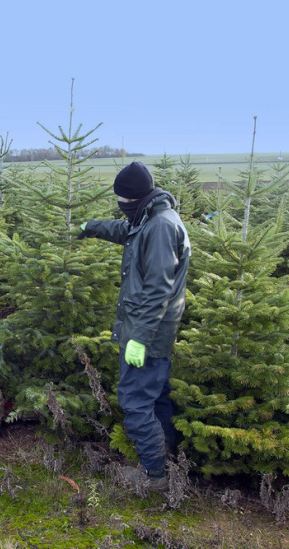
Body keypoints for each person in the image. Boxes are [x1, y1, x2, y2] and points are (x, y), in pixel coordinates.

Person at [79, 161, 190, 492]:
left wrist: (139, 339)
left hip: (148, 333)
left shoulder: (160, 228)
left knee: (136, 401)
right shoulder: (149, 217)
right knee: (157, 400)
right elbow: (124, 230)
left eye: (121, 199)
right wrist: (90, 227)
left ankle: (154, 476)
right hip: (151, 330)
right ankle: (168, 463)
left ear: (133, 198)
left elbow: (159, 288)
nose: (120, 205)